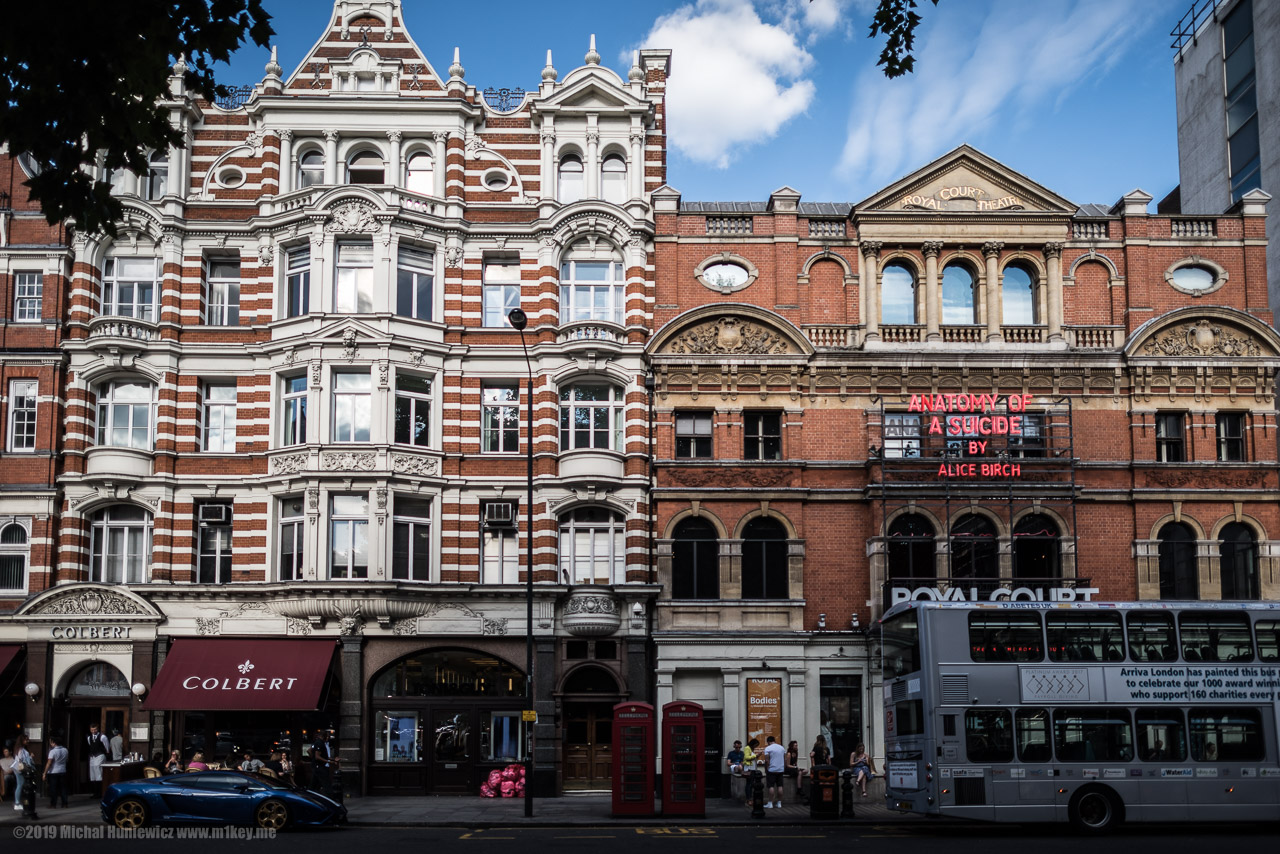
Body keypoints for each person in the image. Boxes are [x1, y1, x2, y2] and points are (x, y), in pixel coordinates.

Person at [14, 735, 38, 819]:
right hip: (20, 769)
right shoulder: (21, 750)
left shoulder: (21, 749)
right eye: (26, 740)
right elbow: (21, 760)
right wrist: (30, 757)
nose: (28, 741)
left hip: (19, 769)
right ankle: (17, 803)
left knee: (21, 785)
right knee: (20, 785)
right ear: (22, 740)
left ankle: (19, 802)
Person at [42, 736, 68, 809]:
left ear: (54, 742)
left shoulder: (52, 751)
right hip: (63, 770)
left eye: (51, 742)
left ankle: (53, 804)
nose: (50, 743)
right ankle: (64, 803)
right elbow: (66, 760)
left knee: (53, 788)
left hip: (54, 772)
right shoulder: (65, 750)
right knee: (63, 788)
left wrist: (45, 772)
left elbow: (49, 763)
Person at [762, 735, 786, 809]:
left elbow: (767, 760)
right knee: (780, 786)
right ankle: (779, 803)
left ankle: (770, 803)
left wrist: (766, 769)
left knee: (771, 786)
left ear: (768, 742)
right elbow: (785, 759)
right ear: (774, 740)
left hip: (772, 770)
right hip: (780, 769)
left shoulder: (768, 748)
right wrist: (783, 767)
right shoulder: (782, 748)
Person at [85, 724, 110, 796]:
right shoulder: (89, 738)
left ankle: (99, 792)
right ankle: (94, 792)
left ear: (97, 729)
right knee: (92, 773)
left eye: (95, 729)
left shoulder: (102, 737)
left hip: (100, 755)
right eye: (92, 730)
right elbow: (90, 746)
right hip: (92, 756)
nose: (93, 731)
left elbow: (107, 746)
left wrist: (107, 753)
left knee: (98, 772)